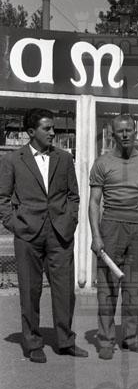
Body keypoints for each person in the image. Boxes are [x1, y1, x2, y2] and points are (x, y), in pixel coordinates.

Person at [0, 108, 86, 363]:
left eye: (53, 128)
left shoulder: (64, 158)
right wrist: (14, 224)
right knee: (30, 290)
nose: (52, 132)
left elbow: (73, 195)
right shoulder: (13, 159)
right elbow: (2, 197)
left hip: (60, 234)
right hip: (28, 234)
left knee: (65, 290)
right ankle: (33, 343)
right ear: (31, 131)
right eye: (47, 128)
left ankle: (65, 341)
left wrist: (70, 221)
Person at [89, 114, 138, 360]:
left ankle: (130, 338)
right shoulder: (102, 163)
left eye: (129, 130)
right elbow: (94, 202)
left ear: (136, 132)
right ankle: (106, 340)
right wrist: (96, 236)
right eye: (120, 131)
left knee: (133, 288)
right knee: (107, 288)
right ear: (113, 134)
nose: (126, 134)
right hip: (111, 227)